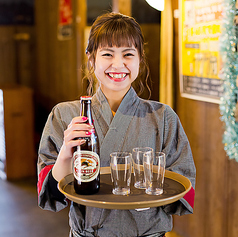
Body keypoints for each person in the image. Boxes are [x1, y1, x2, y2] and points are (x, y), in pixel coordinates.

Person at [37, 12, 196, 237]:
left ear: (140, 58)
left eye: (128, 54)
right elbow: (52, 195)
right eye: (108, 54)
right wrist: (65, 154)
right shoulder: (64, 115)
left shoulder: (163, 117)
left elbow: (183, 187)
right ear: (91, 59)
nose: (118, 64)